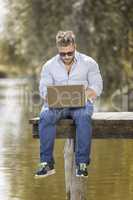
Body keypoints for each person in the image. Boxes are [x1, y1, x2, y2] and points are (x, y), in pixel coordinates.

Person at [35, 31, 103, 178]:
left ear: (75, 46)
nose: (66, 56)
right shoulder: (49, 66)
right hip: (57, 106)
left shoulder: (89, 63)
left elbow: (97, 86)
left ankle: (82, 164)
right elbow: (43, 89)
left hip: (81, 104)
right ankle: (46, 163)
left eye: (69, 53)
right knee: (45, 115)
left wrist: (80, 96)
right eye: (62, 54)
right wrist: (49, 97)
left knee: (84, 116)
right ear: (58, 49)